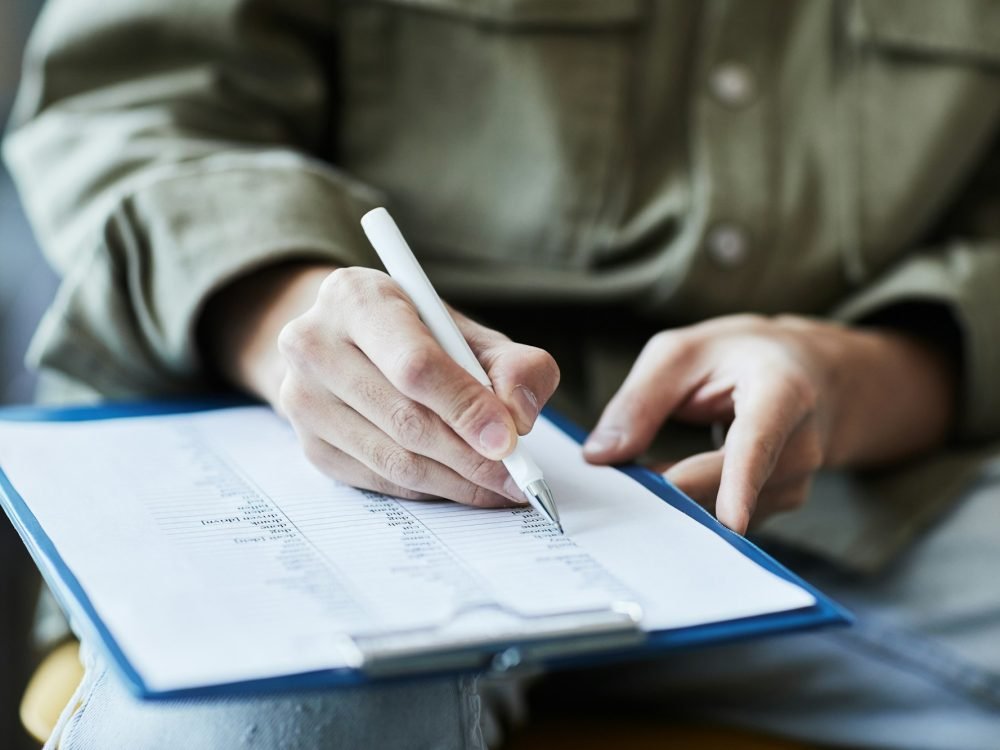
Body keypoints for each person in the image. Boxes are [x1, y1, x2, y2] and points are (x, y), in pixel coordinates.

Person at [4, 0, 1000, 747]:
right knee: (276, 715)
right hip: (333, 449)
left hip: (854, 489)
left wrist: (857, 376)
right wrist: (288, 312)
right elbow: (135, 103)